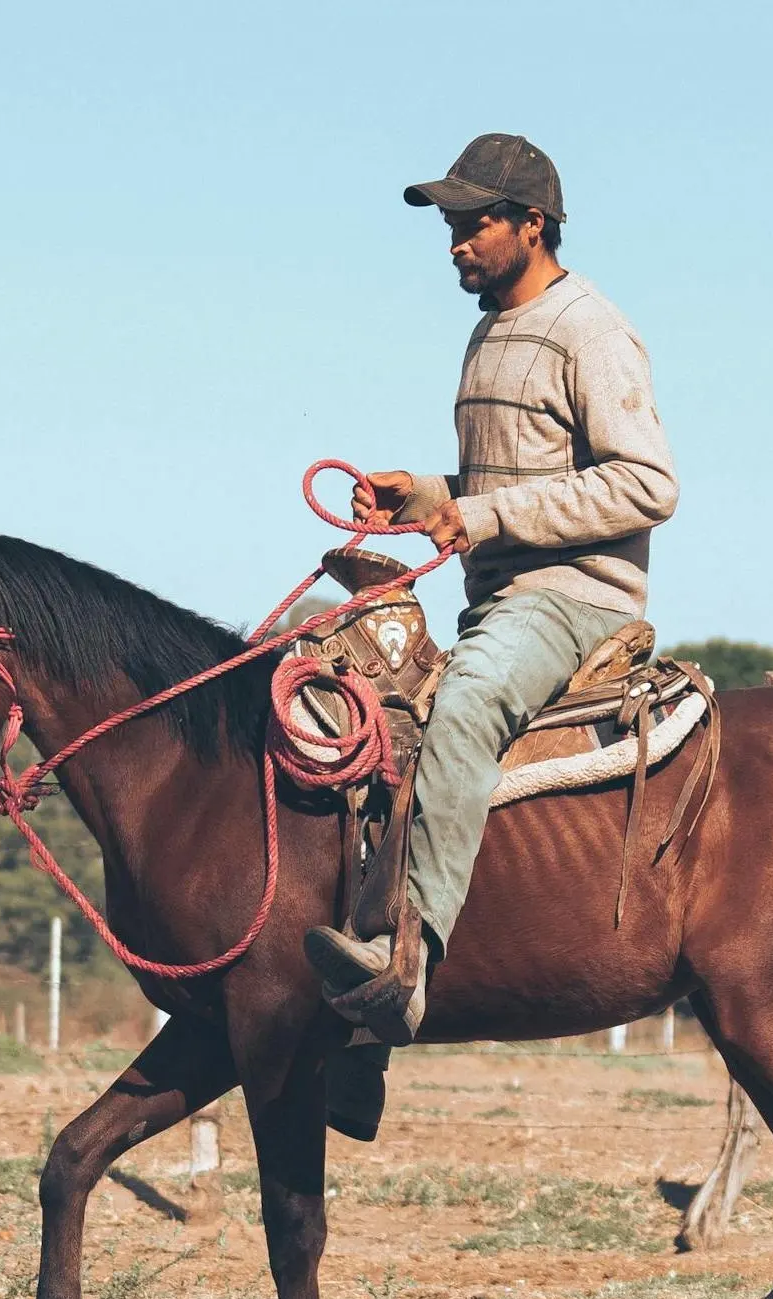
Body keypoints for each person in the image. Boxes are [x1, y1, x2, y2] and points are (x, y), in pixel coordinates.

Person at [304, 133, 679, 1042]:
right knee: (336, 696)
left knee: (466, 701)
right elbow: (514, 483)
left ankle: (405, 960)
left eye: (473, 223)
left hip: (571, 599)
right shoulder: (490, 332)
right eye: (449, 224)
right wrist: (426, 498)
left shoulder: (588, 328)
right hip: (497, 597)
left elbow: (647, 484)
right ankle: (345, 1041)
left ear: (532, 224)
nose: (455, 242)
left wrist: (481, 519)